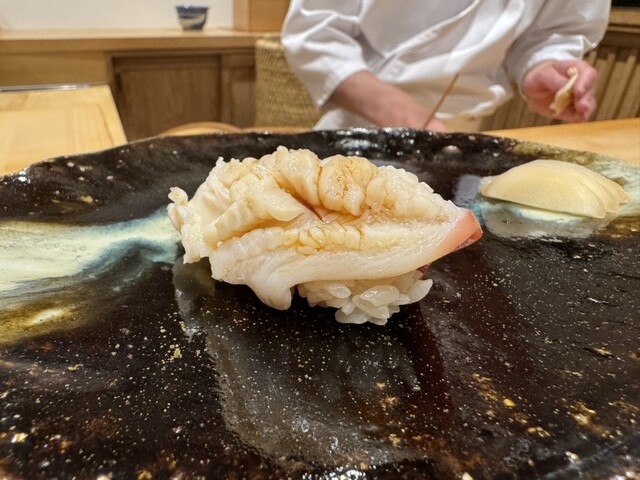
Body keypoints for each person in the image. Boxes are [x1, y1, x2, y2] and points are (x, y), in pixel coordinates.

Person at [281, 1, 610, 132]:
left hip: (464, 137)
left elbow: (551, 32)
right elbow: (314, 34)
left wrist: (541, 64)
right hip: (357, 130)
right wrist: (413, 120)